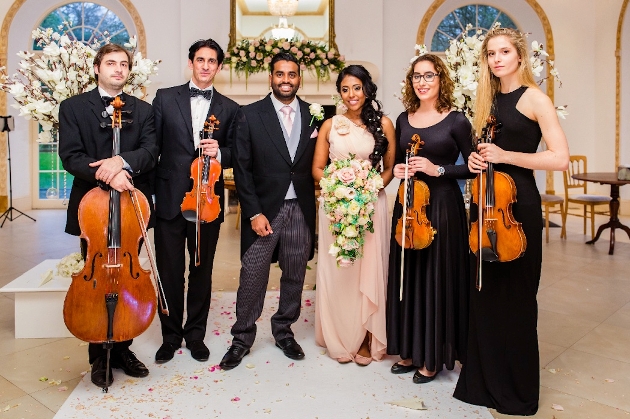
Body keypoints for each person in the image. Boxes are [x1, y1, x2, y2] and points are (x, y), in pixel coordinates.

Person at [453, 27, 569, 415]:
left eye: (504, 51)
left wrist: (506, 156)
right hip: (486, 205)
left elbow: (559, 158)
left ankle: (517, 393)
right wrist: (474, 162)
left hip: (517, 208)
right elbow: (483, 155)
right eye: (490, 53)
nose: (497, 58)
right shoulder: (486, 101)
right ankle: (483, 385)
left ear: (520, 56)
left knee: (517, 300)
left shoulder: (535, 98)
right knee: (484, 296)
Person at [58, 43, 159, 388]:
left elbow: (150, 151)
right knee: (97, 279)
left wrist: (122, 162)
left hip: (131, 210)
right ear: (98, 68)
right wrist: (108, 173)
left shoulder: (143, 110)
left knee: (125, 277)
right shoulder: (72, 107)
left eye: (124, 64)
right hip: (94, 211)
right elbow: (71, 156)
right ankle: (99, 356)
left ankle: (124, 348)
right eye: (111, 63)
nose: (118, 69)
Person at [219, 52, 320, 370]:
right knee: (252, 275)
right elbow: (242, 168)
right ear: (271, 76)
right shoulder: (249, 114)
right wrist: (253, 212)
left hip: (301, 209)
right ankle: (241, 338)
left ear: (299, 78)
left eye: (292, 74)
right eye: (280, 74)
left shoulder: (314, 115)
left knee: (295, 274)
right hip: (264, 210)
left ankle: (284, 331)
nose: (286, 80)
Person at [386, 54, 474, 384]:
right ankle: (409, 349)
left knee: (436, 279)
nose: (422, 82)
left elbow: (473, 166)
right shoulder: (403, 119)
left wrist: (438, 169)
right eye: (416, 77)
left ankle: (433, 356)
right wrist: (397, 170)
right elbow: (397, 161)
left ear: (441, 79)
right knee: (409, 276)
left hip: (442, 207)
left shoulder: (456, 121)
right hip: (409, 206)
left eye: (429, 76)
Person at [151, 39, 242, 364]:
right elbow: (152, 148)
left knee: (201, 269)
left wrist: (221, 152)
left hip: (208, 202)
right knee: (169, 270)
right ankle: (170, 335)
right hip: (170, 197)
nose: (205, 65)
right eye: (200, 59)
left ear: (219, 67)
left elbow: (236, 152)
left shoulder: (230, 108)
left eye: (212, 61)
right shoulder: (164, 98)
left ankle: (195, 335)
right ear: (191, 63)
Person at [312, 65, 396, 365]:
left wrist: (367, 188)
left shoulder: (383, 124)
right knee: (340, 272)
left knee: (369, 270)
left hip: (370, 206)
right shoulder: (329, 125)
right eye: (345, 89)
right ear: (340, 92)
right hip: (336, 207)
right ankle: (339, 334)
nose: (351, 95)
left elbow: (388, 170)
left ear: (367, 89)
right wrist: (339, 187)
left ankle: (366, 337)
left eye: (357, 88)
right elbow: (317, 169)